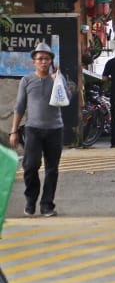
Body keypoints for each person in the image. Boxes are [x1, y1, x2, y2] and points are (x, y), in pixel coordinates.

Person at [10, 42, 63, 217]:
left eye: (47, 58)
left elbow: (67, 99)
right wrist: (14, 131)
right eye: (40, 59)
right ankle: (30, 201)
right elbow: (19, 106)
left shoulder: (57, 79)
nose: (43, 62)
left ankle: (47, 205)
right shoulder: (26, 81)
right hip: (33, 130)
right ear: (33, 61)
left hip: (55, 129)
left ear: (51, 61)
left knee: (52, 169)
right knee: (30, 166)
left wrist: (58, 81)